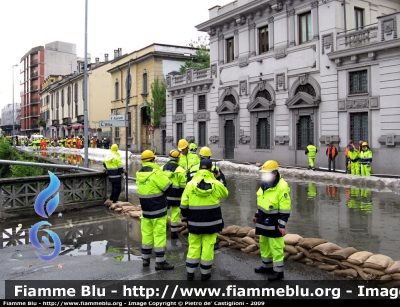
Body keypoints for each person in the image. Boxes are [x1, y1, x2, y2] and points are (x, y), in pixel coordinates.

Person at [181, 158, 229, 281]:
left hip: (195, 222)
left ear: (199, 168)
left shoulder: (190, 184)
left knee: (194, 247)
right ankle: (205, 274)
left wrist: (185, 217)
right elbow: (225, 194)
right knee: (208, 248)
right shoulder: (216, 184)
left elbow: (184, 203)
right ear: (211, 169)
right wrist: (218, 177)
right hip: (212, 223)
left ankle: (190, 273)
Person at [252, 160, 291, 282]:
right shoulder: (264, 184)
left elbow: (285, 208)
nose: (264, 176)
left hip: (274, 222)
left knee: (276, 247)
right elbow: (261, 202)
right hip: (263, 220)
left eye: (266, 173)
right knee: (264, 243)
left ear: (274, 174)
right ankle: (266, 266)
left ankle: (279, 272)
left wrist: (282, 225)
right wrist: (257, 215)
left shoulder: (282, 187)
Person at [136, 150, 174, 270]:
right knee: (159, 235)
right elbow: (168, 186)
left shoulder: (139, 174)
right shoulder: (156, 173)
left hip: (146, 210)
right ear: (153, 160)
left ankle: (145, 259)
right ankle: (160, 262)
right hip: (158, 209)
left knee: (146, 234)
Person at [162, 149, 187, 239]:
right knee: (175, 215)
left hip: (165, 196)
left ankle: (164, 229)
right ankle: (173, 233)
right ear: (178, 159)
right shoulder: (181, 170)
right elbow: (183, 187)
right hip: (176, 197)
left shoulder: (162, 168)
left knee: (165, 213)